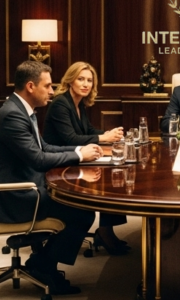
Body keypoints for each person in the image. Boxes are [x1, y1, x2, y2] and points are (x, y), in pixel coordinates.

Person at [0, 60, 103, 295]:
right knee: (81, 210)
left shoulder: (22, 110)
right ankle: (43, 265)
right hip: (15, 196)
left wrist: (79, 153)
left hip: (27, 185)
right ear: (30, 86)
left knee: (79, 206)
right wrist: (79, 156)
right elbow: (38, 159)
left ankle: (43, 262)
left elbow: (44, 147)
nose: (52, 91)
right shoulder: (12, 116)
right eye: (47, 86)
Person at [43, 61, 130, 255]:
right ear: (70, 80)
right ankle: (104, 232)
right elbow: (70, 138)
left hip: (74, 159)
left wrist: (109, 134)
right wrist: (103, 138)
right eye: (80, 79)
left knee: (112, 176)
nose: (85, 84)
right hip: (59, 165)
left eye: (89, 80)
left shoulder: (78, 103)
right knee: (107, 180)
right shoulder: (60, 103)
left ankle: (106, 229)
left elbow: (88, 131)